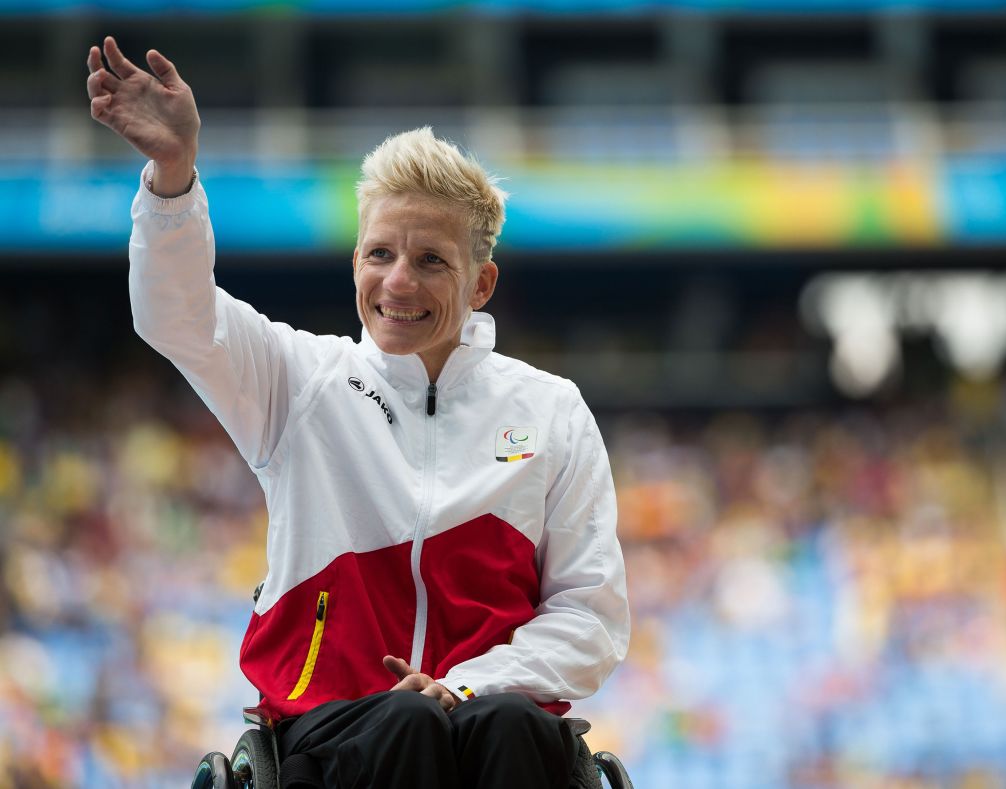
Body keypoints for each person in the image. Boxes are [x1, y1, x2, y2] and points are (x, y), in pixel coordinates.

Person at [86, 36, 630, 789]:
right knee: (404, 720)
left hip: (491, 714)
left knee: (505, 720)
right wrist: (173, 175)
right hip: (329, 723)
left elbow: (591, 614)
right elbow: (177, 317)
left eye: (430, 260)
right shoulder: (300, 378)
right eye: (379, 254)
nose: (397, 282)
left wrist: (466, 683)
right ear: (355, 263)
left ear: (481, 283)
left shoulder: (551, 409)